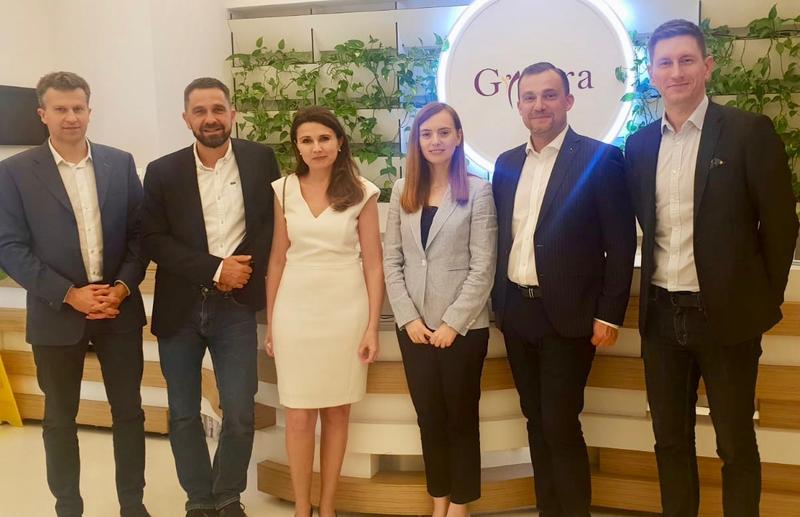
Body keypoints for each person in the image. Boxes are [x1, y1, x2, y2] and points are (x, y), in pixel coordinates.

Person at [625, 19, 799, 517]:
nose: (676, 71)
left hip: (727, 318)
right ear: (652, 74)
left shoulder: (747, 132)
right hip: (662, 316)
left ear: (707, 66)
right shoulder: (639, 146)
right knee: (669, 442)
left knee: (735, 443)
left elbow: (781, 224)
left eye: (686, 60)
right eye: (665, 63)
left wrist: (763, 300)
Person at [0, 71, 149, 517]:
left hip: (118, 311)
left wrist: (121, 288)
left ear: (89, 110)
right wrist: (70, 295)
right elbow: (10, 247)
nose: (71, 117)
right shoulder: (14, 172)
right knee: (60, 418)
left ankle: (132, 504)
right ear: (42, 113)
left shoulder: (119, 162)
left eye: (78, 108)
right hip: (55, 313)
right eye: (60, 109)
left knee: (129, 413)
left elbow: (141, 235)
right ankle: (68, 506)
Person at [491, 62, 637, 516]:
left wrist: (609, 313)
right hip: (518, 311)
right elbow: (505, 235)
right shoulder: (506, 163)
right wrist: (498, 304)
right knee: (535, 421)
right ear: (519, 106)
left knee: (559, 423)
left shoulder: (600, 158)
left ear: (568, 101)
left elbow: (620, 242)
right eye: (530, 97)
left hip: (570, 316)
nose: (539, 105)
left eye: (549, 95)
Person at [140, 77, 280, 517]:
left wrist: (241, 269)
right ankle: (199, 499)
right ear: (186, 119)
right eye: (200, 111)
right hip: (180, 307)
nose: (210, 118)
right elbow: (153, 239)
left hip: (236, 307)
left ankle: (228, 494)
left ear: (232, 114)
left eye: (218, 109)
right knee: (183, 413)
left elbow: (270, 225)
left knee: (239, 410)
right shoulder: (162, 171)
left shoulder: (260, 160)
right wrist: (216, 269)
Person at [265, 106, 383, 517]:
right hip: (294, 310)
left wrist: (372, 326)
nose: (317, 147)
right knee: (298, 414)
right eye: (307, 140)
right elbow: (277, 258)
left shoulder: (363, 191)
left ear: (339, 141)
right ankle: (302, 507)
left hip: (345, 311)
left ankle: (328, 505)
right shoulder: (282, 189)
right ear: (297, 147)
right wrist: (271, 323)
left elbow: (374, 264)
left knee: (337, 411)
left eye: (324, 138)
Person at [383, 102, 497, 517]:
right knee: (429, 418)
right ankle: (439, 502)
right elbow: (392, 260)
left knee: (461, 418)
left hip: (463, 330)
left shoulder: (478, 191)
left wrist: (452, 323)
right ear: (417, 140)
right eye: (427, 133)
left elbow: (484, 266)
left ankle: (460, 506)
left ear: (458, 137)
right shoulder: (402, 189)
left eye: (444, 132)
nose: (435, 140)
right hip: (414, 328)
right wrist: (409, 318)